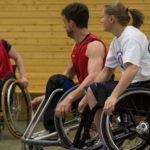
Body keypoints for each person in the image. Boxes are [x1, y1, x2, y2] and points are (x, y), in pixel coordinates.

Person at [78, 1, 150, 144]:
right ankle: (106, 137)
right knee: (92, 90)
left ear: (111, 19)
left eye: (102, 16)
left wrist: (113, 96)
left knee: (95, 90)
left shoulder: (131, 37)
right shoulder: (117, 40)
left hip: (144, 87)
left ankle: (107, 140)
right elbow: (106, 71)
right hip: (135, 85)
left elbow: (132, 68)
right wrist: (86, 96)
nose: (100, 20)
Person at [31, 2, 108, 135]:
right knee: (57, 80)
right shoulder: (76, 46)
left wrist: (69, 98)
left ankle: (52, 130)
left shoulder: (94, 45)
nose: (63, 26)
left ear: (71, 23)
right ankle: (52, 129)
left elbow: (94, 76)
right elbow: (66, 77)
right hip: (83, 90)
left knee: (56, 79)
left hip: (96, 91)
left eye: (64, 22)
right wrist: (46, 96)